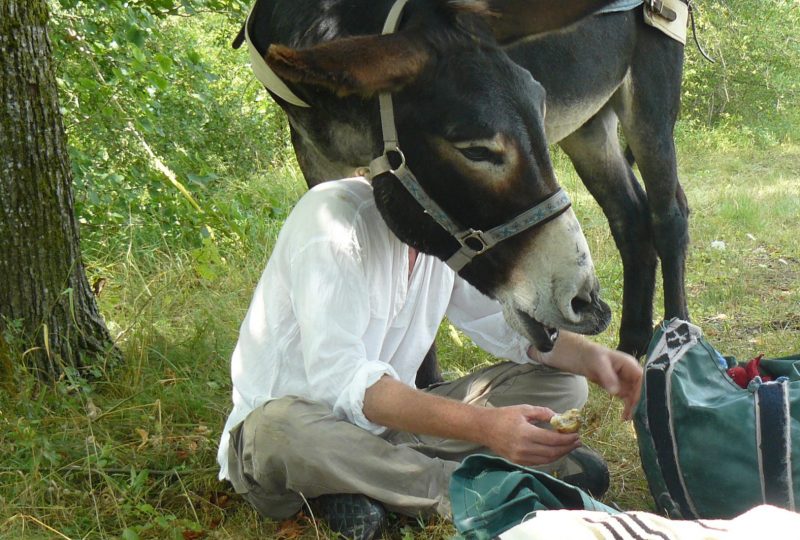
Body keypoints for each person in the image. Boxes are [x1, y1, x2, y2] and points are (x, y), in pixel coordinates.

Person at [217, 176, 642, 539]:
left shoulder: (447, 232)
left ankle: (365, 488)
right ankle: (466, 490)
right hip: (290, 440)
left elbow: (503, 323)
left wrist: (593, 358)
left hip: (387, 431)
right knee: (278, 427)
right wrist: (485, 427)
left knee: (564, 383)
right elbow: (341, 380)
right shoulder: (332, 221)